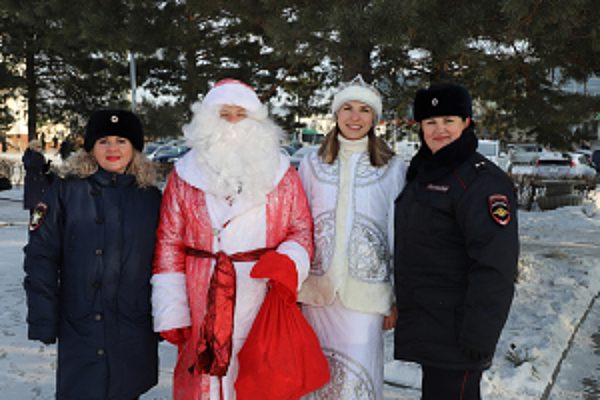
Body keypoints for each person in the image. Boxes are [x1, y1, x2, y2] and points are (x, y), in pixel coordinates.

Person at [150, 79, 315, 400]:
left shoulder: (282, 174)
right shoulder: (183, 175)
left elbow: (301, 228)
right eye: (224, 114)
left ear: (257, 121)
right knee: (204, 381)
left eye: (242, 114)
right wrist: (172, 309)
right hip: (202, 295)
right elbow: (169, 242)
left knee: (259, 377)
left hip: (260, 293)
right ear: (207, 119)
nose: (234, 122)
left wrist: (289, 261)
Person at [23, 109, 161, 400]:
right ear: (90, 148)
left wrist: (166, 315)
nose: (113, 148)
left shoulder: (150, 197)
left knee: (126, 389)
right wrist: (43, 317)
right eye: (104, 141)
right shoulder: (65, 191)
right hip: (81, 323)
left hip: (132, 324)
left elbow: (166, 261)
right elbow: (41, 257)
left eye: (121, 140)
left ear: (134, 147)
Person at [393, 83, 519, 400]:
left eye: (448, 120)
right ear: (419, 126)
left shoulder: (481, 181)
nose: (440, 130)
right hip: (430, 325)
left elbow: (495, 266)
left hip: (460, 333)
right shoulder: (424, 173)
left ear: (466, 122)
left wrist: (480, 334)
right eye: (431, 122)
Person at [297, 75, 407, 399]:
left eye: (363, 110)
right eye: (347, 108)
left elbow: (397, 234)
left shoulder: (391, 168)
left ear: (374, 118)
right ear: (336, 114)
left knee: (358, 378)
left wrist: (396, 297)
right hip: (318, 294)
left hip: (367, 297)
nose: (354, 117)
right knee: (318, 377)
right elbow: (299, 228)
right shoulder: (311, 165)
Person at [22, 139, 52, 215]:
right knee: (36, 205)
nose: (40, 148)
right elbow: (31, 166)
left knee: (37, 205)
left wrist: (47, 165)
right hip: (35, 183)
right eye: (38, 147)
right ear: (33, 147)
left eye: (40, 147)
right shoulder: (32, 156)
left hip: (37, 182)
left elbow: (42, 169)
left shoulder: (31, 155)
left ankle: (36, 222)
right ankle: (36, 223)